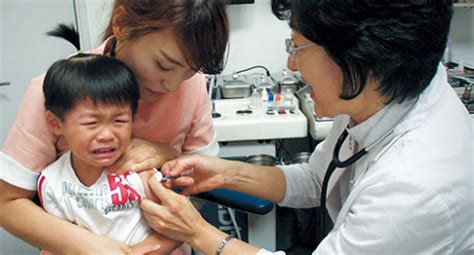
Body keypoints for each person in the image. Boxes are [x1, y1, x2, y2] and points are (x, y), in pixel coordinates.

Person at [139, 0, 473, 254]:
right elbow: (316, 179)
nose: (291, 64)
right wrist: (223, 173)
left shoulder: (416, 188)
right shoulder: (378, 93)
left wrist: (199, 233)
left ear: (360, 57)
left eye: (297, 46)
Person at [0, 0, 229, 254]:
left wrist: (167, 153)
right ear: (120, 24)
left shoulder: (191, 86)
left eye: (190, 70)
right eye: (164, 65)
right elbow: (7, 203)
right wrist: (90, 246)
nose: (173, 85)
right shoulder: (54, 93)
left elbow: (204, 179)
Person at [37, 31, 190, 254]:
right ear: (56, 123)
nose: (107, 135)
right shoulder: (52, 183)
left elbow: (177, 230)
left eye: (119, 120)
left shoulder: (140, 174)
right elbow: (57, 242)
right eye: (91, 123)